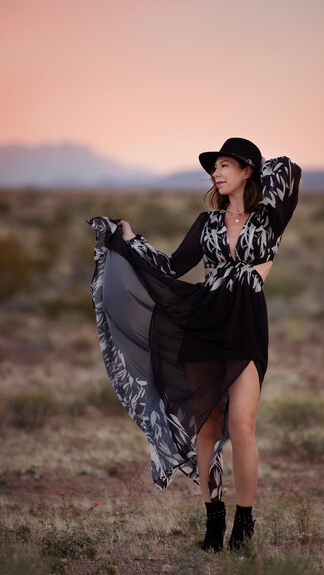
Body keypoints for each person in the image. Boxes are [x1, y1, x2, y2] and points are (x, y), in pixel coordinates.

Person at [87, 137, 302, 552]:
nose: (216, 173)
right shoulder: (207, 223)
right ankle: (213, 520)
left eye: (225, 165)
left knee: (243, 426)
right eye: (213, 168)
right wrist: (131, 240)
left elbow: (289, 170)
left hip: (245, 328)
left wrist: (255, 167)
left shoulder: (270, 219)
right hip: (204, 324)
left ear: (246, 171)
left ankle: (244, 523)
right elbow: (171, 267)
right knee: (209, 428)